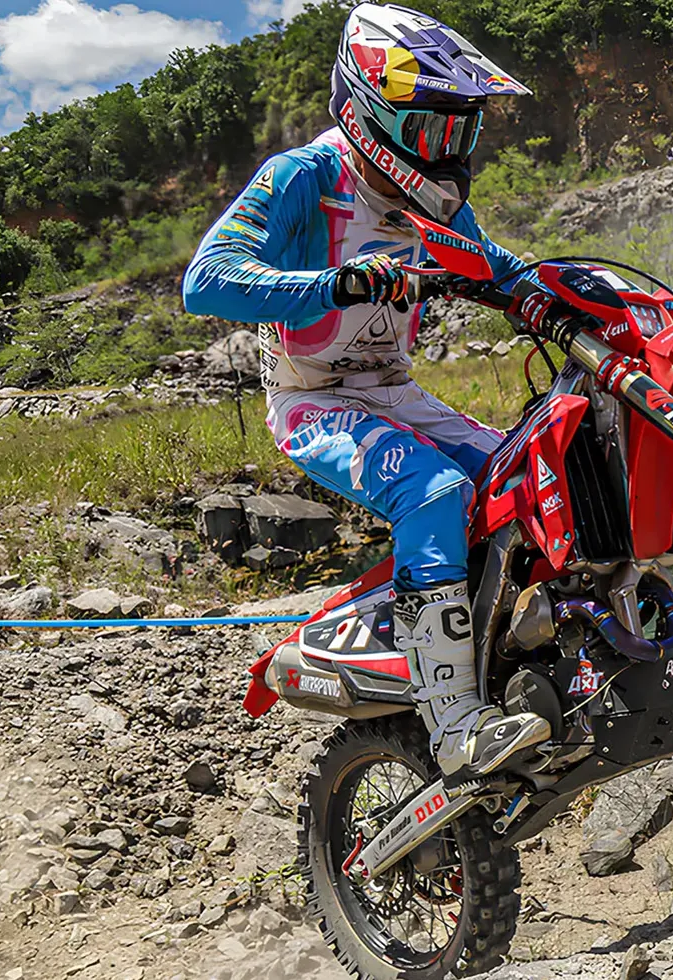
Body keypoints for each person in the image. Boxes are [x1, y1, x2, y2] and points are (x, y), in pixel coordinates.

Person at [182, 2, 551, 783]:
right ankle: (455, 724)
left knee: (533, 474)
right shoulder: (305, 177)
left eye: (461, 133)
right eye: (431, 132)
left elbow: (499, 268)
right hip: (313, 398)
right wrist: (335, 283)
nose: (447, 152)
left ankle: (526, 661)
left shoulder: (438, 206)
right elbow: (206, 280)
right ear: (368, 112)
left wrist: (564, 295)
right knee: (435, 490)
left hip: (395, 391)